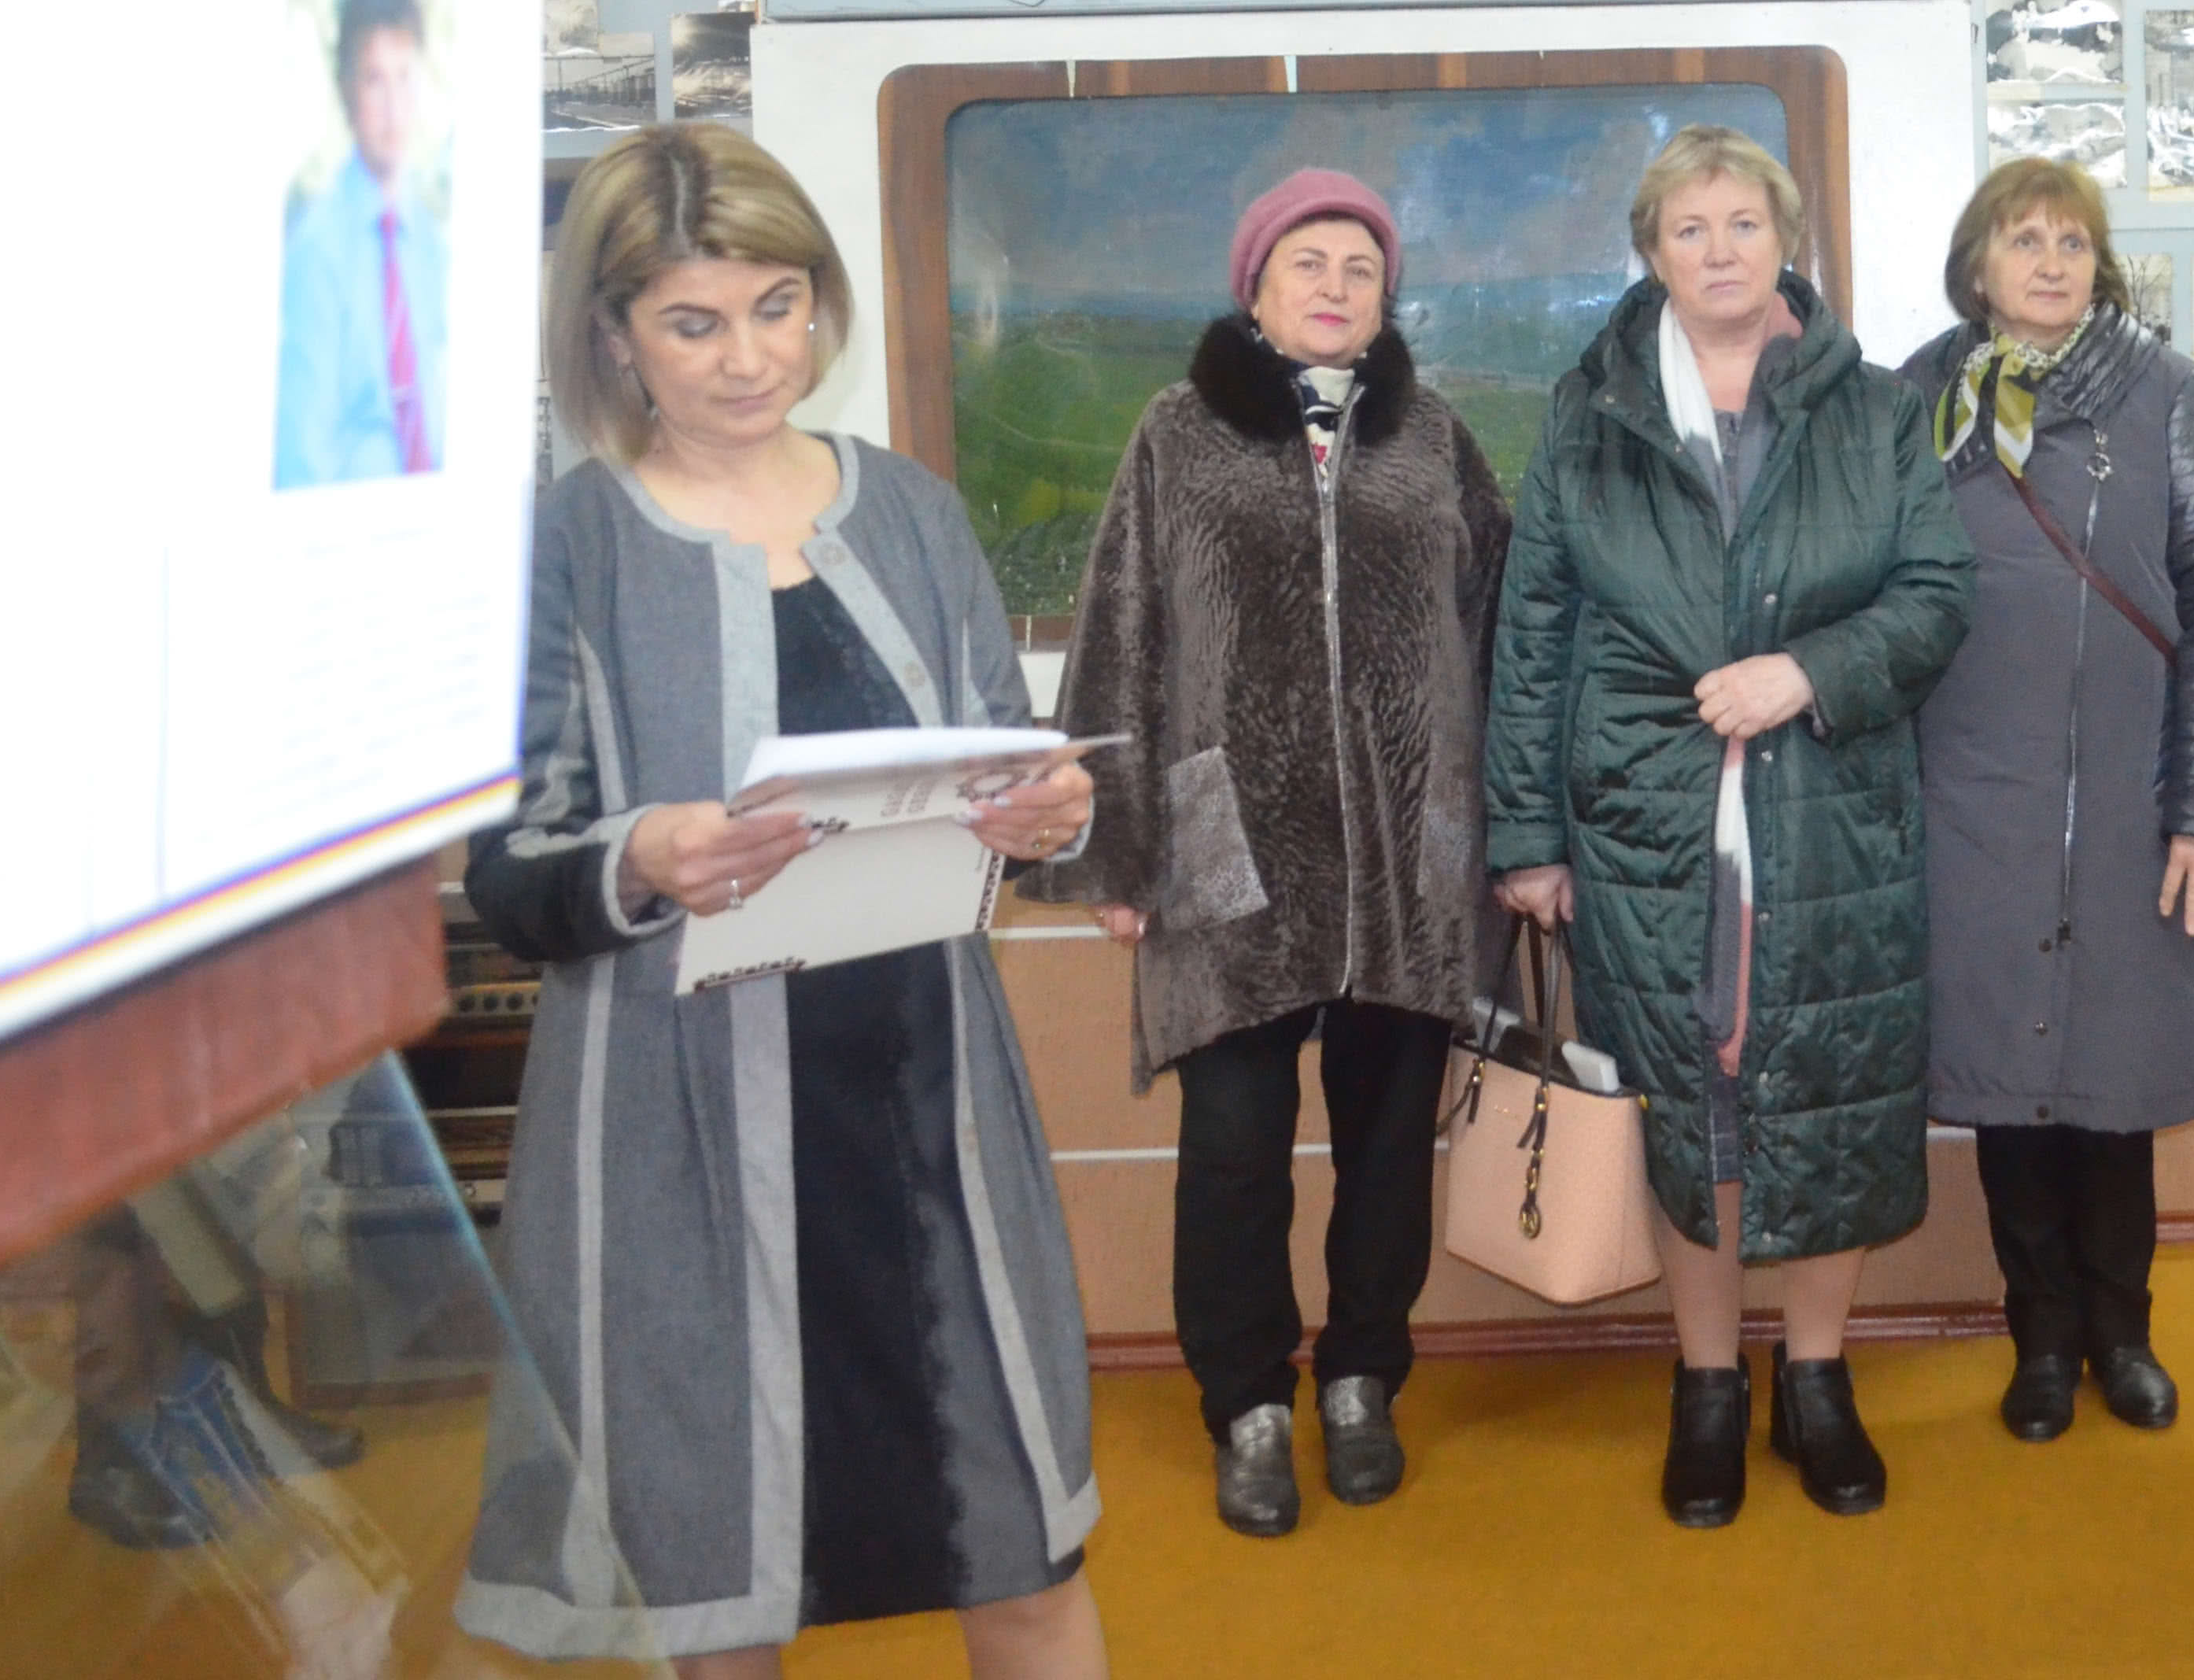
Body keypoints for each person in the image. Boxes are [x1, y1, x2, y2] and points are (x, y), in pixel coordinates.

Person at [457, 124, 1106, 1678]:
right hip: (681, 1131)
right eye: (693, 321)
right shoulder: (568, 548)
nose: (748, 357)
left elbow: (989, 773)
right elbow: (512, 871)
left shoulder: (911, 512)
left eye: (777, 306)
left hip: (922, 1117)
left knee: (1020, 1557)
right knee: (716, 1598)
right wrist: (641, 856)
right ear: (613, 334)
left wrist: (1045, 815)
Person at [1484, 127, 1974, 1527]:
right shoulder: (1587, 417)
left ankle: (1816, 1375)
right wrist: (1527, 834)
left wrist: (1808, 671)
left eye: (1743, 223)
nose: (1718, 250)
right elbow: (1532, 634)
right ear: (1651, 252)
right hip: (1640, 819)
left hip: (1832, 814)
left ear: (1785, 240)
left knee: (1829, 1089)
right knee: (1680, 1097)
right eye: (1689, 227)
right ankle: (1704, 1380)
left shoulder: (1873, 408)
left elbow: (1938, 591)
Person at [1034, 170, 1509, 1539]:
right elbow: (1120, 631)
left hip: (1408, 862)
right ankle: (1245, 1401)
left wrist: (1507, 822)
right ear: (1254, 287)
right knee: (1234, 1154)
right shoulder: (1174, 434)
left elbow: (1501, 632)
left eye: (1361, 267)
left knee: (1388, 1149)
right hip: (1225, 855)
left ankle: (1362, 1379)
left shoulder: (1434, 439)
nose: (1335, 286)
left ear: (1387, 295)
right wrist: (1114, 848)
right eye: (1308, 262)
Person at [1904, 157, 2194, 1443]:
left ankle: (2124, 1333)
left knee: (2113, 1079)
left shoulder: (2166, 393)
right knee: (2009, 1078)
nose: (2050, 262)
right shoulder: (1914, 400)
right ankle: (2042, 1340)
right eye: (2024, 240)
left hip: (2135, 804)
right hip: (1972, 808)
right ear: (1976, 267)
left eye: (2071, 241)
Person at [275, 0, 448, 488]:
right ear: (346, 89)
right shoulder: (317, 251)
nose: (394, 107)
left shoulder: (432, 245)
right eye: (375, 79)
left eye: (404, 76)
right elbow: (301, 456)